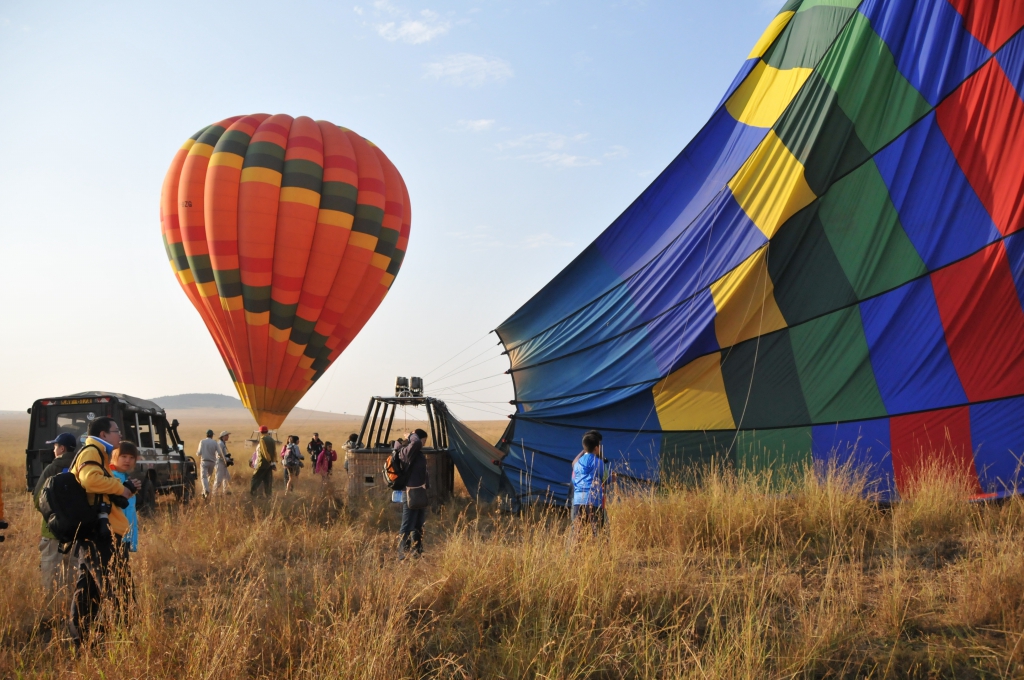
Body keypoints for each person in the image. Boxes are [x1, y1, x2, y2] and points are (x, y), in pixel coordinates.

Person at [67, 416, 139, 644]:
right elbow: (90, 481)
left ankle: (82, 639)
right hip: (101, 535)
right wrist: (121, 489)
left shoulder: (100, 453)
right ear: (103, 434)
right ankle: (123, 641)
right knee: (120, 589)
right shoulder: (92, 452)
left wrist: (123, 491)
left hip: (96, 532)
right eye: (116, 431)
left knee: (88, 592)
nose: (120, 435)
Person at [34, 432, 79, 593]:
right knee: (74, 567)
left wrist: (52, 518)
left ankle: (51, 606)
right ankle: (74, 603)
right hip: (77, 529)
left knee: (50, 567)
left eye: (55, 446)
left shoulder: (51, 469)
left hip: (52, 529)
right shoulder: (81, 467)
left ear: (62, 448)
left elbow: (38, 499)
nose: (54, 450)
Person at [396, 429, 429, 559]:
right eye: (424, 440)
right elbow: (416, 444)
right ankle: (401, 553)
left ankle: (417, 551)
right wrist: (411, 435)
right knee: (407, 523)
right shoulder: (406, 452)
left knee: (418, 524)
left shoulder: (414, 452)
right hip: (410, 493)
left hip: (419, 491)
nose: (424, 444)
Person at [570, 431, 609, 541]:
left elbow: (574, 480)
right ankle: (602, 555)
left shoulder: (577, 463)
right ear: (596, 447)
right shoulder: (599, 462)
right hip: (594, 500)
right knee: (598, 531)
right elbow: (605, 478)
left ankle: (572, 556)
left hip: (578, 500)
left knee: (577, 532)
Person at [110, 442, 140, 553]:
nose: (127, 460)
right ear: (114, 456)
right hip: (113, 534)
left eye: (132, 457)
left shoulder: (127, 479)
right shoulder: (110, 477)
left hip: (125, 535)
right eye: (123, 456)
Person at [250, 426, 277, 497]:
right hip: (270, 464)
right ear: (267, 431)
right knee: (268, 481)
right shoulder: (272, 439)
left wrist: (268, 460)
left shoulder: (262, 440)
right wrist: (273, 463)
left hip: (262, 463)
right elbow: (274, 452)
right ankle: (269, 496)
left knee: (255, 478)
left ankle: (253, 495)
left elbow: (264, 452)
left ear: (260, 432)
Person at [196, 430, 219, 500]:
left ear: (206, 435)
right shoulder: (215, 442)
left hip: (204, 462)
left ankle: (206, 490)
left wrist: (197, 453)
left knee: (203, 477)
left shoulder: (202, 442)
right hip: (212, 462)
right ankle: (204, 493)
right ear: (212, 435)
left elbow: (199, 453)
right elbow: (219, 453)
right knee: (209, 477)